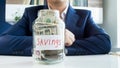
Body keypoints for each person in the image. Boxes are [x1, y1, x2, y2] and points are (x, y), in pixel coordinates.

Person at [0, 0, 111, 56]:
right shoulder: (31, 14)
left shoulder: (85, 16)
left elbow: (104, 43)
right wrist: (55, 38)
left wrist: (53, 45)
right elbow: (3, 42)